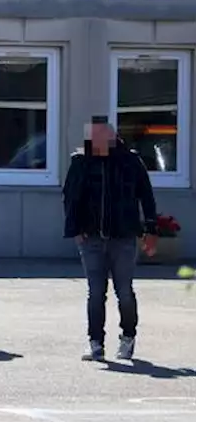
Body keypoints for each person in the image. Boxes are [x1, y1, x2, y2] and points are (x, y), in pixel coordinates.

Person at [62, 116, 157, 362]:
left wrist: (150, 228)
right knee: (95, 292)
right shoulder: (81, 162)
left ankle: (128, 337)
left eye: (99, 136)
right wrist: (75, 228)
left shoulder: (130, 162)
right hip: (91, 238)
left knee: (124, 291)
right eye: (91, 137)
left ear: (112, 136)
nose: (95, 141)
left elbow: (146, 195)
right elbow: (69, 196)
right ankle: (95, 343)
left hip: (123, 238)